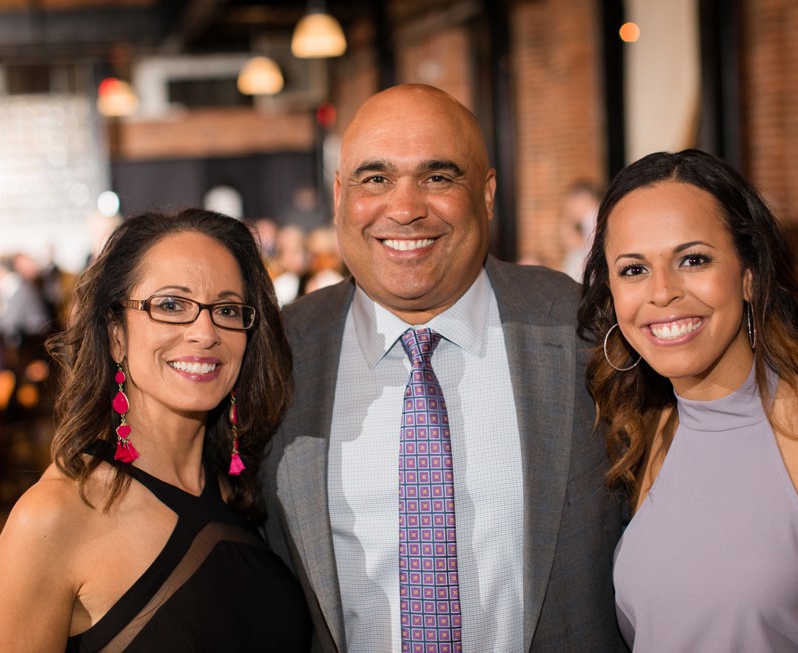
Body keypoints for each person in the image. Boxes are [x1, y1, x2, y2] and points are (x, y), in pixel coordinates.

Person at [261, 84, 624, 652]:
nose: (405, 209)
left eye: (438, 177)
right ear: (339, 195)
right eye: (375, 178)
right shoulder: (276, 357)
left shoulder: (585, 334)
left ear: (486, 192)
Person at [578, 149, 798, 652]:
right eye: (633, 270)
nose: (662, 292)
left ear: (749, 274)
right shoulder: (649, 433)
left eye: (693, 259)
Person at [0, 209, 311, 652]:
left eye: (227, 309)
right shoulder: (52, 519)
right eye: (171, 305)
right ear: (116, 333)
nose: (205, 332)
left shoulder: (251, 487)